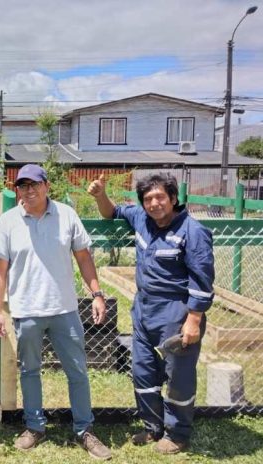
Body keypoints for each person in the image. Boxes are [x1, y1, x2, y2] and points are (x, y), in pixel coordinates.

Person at [0, 164, 113, 460]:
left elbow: (83, 257)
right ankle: (34, 426)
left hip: (64, 310)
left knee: (77, 371)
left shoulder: (66, 215)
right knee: (29, 371)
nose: (28, 190)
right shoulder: (8, 222)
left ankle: (84, 430)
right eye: (22, 185)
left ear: (47, 187)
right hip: (26, 311)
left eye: (34, 184)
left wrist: (96, 293)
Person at [87, 172, 214, 454]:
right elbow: (112, 212)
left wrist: (193, 321)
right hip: (143, 309)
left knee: (178, 375)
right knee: (143, 371)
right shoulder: (142, 219)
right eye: (148, 199)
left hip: (177, 311)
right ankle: (152, 428)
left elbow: (203, 283)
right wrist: (100, 196)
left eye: (160, 197)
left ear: (172, 198)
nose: (154, 203)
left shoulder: (192, 232)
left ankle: (177, 434)